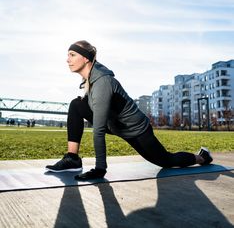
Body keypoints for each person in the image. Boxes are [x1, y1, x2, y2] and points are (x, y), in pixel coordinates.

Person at [46, 40, 213, 180]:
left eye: (72, 55)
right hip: (117, 124)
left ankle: (201, 157)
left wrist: (100, 169)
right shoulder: (90, 81)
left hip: (137, 131)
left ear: (86, 58)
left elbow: (98, 130)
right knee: (76, 105)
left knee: (167, 161)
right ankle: (72, 159)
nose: (67, 59)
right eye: (68, 55)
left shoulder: (102, 83)